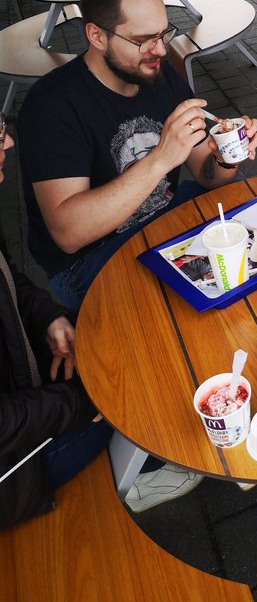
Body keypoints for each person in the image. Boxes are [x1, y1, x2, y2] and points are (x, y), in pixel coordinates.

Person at [18, 0, 257, 313]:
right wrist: (161, 158)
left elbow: (207, 176)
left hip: (165, 217)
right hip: (90, 258)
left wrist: (226, 156)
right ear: (96, 35)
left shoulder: (157, 74)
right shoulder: (51, 106)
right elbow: (69, 234)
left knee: (252, 255)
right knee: (189, 313)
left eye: (163, 33)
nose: (160, 50)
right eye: (143, 40)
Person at [0, 114, 112, 528]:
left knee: (115, 347)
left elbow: (7, 275)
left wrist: (48, 317)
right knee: (136, 388)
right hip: (14, 475)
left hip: (25, 391)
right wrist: (87, 399)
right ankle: (143, 473)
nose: (8, 143)